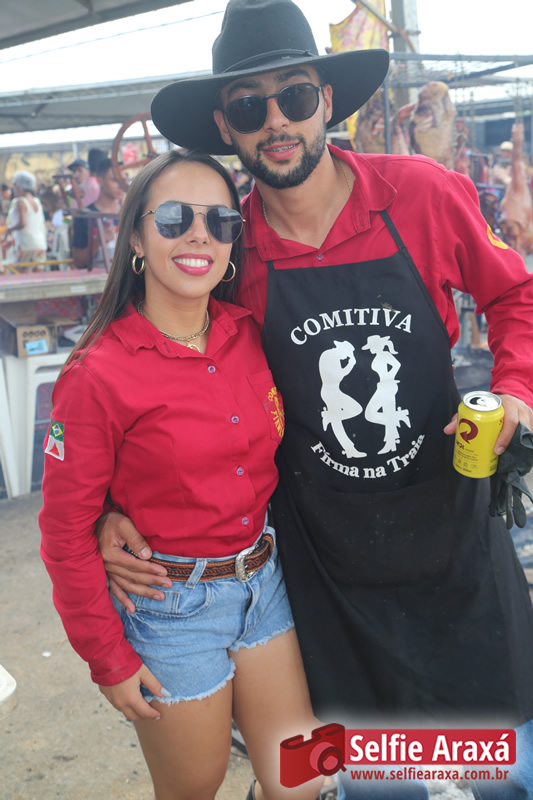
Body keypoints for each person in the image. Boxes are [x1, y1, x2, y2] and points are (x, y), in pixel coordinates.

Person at [97, 1, 533, 797]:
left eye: (294, 96)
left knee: (504, 764)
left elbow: (516, 295)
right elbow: (164, 381)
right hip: (325, 568)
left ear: (326, 102)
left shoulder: (421, 195)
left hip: (453, 540)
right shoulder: (225, 251)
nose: (275, 121)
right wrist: (111, 506)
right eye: (247, 107)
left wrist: (513, 389)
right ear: (225, 128)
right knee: (374, 780)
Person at [39, 148, 321, 800]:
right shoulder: (95, 373)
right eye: (173, 218)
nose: (199, 235)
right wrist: (107, 658)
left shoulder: (249, 332)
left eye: (220, 221)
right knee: (195, 786)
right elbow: (63, 531)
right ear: (136, 238)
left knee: (304, 777)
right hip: (171, 605)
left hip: (265, 583)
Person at [71, 156, 123, 269]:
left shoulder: (130, 214)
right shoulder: (84, 217)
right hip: (97, 278)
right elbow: (78, 261)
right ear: (100, 181)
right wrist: (97, 241)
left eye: (123, 180)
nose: (121, 185)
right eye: (115, 180)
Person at [1, 170, 46, 266]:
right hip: (39, 244)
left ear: (19, 186)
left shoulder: (20, 202)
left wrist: (9, 229)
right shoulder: (36, 201)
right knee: (38, 273)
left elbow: (23, 223)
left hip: (26, 246)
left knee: (22, 273)